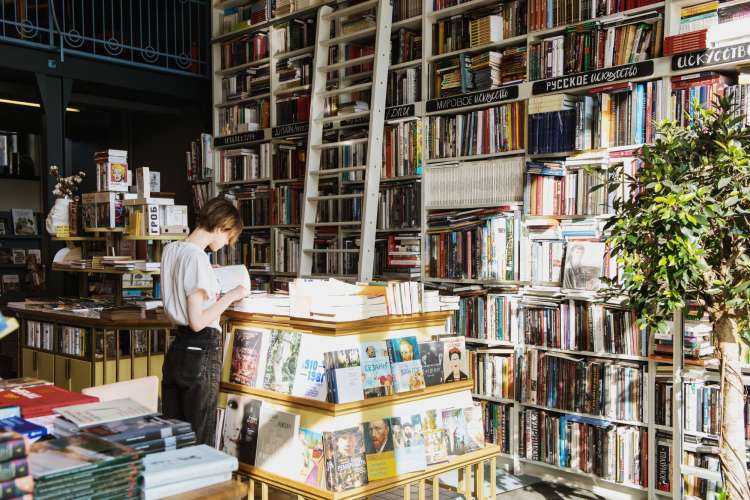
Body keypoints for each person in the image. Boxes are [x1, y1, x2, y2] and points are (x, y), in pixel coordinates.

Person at [160, 196, 248, 446]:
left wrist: (211, 274)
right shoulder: (197, 258)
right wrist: (232, 295)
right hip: (201, 349)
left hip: (177, 349)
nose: (226, 245)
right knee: (201, 440)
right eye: (228, 239)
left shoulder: (171, 250)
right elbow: (197, 320)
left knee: (175, 437)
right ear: (222, 226)